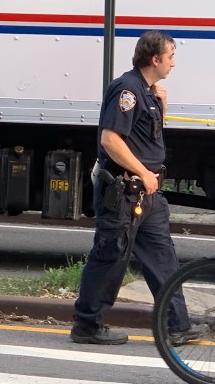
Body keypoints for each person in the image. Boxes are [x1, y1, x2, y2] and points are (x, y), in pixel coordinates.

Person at [71, 30, 205, 345]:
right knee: (111, 256)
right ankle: (87, 325)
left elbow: (145, 138)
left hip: (147, 193)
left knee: (163, 257)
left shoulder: (149, 92)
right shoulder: (127, 90)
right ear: (155, 58)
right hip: (124, 190)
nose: (174, 64)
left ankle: (176, 325)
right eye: (171, 56)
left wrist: (163, 106)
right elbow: (110, 140)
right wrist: (144, 172)